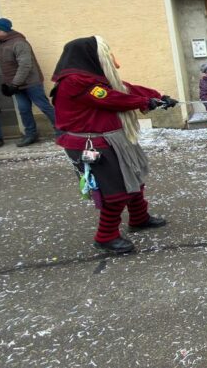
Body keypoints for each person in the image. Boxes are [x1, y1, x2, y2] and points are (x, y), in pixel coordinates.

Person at [50, 36, 176, 254]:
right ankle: (106, 237)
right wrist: (145, 102)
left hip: (112, 139)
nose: (109, 58)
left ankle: (139, 218)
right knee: (115, 191)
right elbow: (110, 98)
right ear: (89, 55)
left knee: (133, 178)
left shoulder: (94, 78)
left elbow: (125, 89)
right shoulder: (75, 81)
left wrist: (158, 96)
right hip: (92, 144)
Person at [0, 18, 56, 147]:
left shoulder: (19, 43)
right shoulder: (2, 43)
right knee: (24, 109)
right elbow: (8, 66)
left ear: (1, 30)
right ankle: (31, 134)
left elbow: (25, 65)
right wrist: (7, 83)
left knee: (44, 107)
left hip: (31, 83)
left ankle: (62, 131)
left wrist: (14, 84)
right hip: (16, 85)